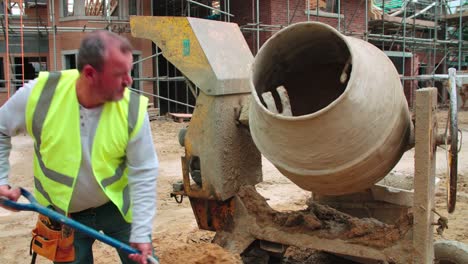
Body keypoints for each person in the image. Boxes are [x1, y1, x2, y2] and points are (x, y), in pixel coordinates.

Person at [0, 30, 159, 264]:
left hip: (117, 209)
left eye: (130, 71)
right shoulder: (40, 95)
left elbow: (144, 170)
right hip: (64, 216)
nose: (129, 81)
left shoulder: (132, 109)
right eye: (119, 74)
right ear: (89, 74)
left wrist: (142, 230)